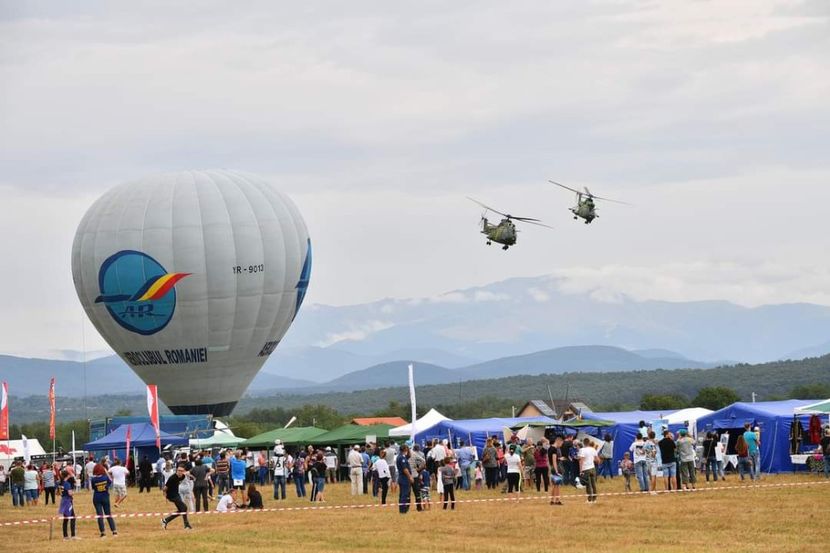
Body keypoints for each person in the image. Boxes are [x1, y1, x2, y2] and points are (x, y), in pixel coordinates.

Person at [161, 464, 193, 530]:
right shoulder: (172, 478)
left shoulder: (183, 477)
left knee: (182, 510)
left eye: (181, 471)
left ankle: (165, 520)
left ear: (183, 471)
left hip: (176, 494)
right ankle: (186, 525)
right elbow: (164, 488)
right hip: (171, 496)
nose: (179, 472)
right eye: (178, 470)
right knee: (184, 507)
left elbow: (179, 482)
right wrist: (165, 495)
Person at [90, 463, 118, 537]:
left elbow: (93, 488)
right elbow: (111, 480)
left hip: (96, 497)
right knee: (108, 514)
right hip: (105, 497)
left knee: (100, 515)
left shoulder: (93, 479)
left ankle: (103, 533)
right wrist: (106, 471)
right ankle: (114, 531)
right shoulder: (105, 477)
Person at [58, 468, 78, 540]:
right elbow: (70, 493)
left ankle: (65, 536)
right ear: (67, 475)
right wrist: (73, 493)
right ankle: (73, 535)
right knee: (73, 517)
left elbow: (58, 492)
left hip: (63, 500)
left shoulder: (61, 483)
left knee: (66, 518)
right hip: (68, 501)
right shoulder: (67, 484)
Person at [578, 437, 599, 503]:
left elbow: (581, 460)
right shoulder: (593, 449)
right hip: (592, 468)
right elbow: (597, 460)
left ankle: (590, 499)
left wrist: (580, 470)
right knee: (593, 484)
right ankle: (594, 499)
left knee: (588, 484)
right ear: (589, 442)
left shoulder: (582, 450)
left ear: (583, 443)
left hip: (585, 469)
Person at [396, 444, 413, 514]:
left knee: (404, 494)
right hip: (404, 478)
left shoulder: (402, 456)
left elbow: (409, 456)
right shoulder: (401, 458)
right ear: (405, 449)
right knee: (404, 495)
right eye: (407, 449)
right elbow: (405, 469)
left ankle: (403, 509)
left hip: (403, 478)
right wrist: (410, 477)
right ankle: (403, 510)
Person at [549, 435, 564, 505]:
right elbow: (554, 460)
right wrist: (556, 470)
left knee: (554, 485)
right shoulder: (554, 449)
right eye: (561, 443)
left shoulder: (550, 448)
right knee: (557, 485)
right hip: (556, 468)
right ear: (558, 441)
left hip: (552, 467)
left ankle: (552, 500)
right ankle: (557, 500)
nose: (561, 445)